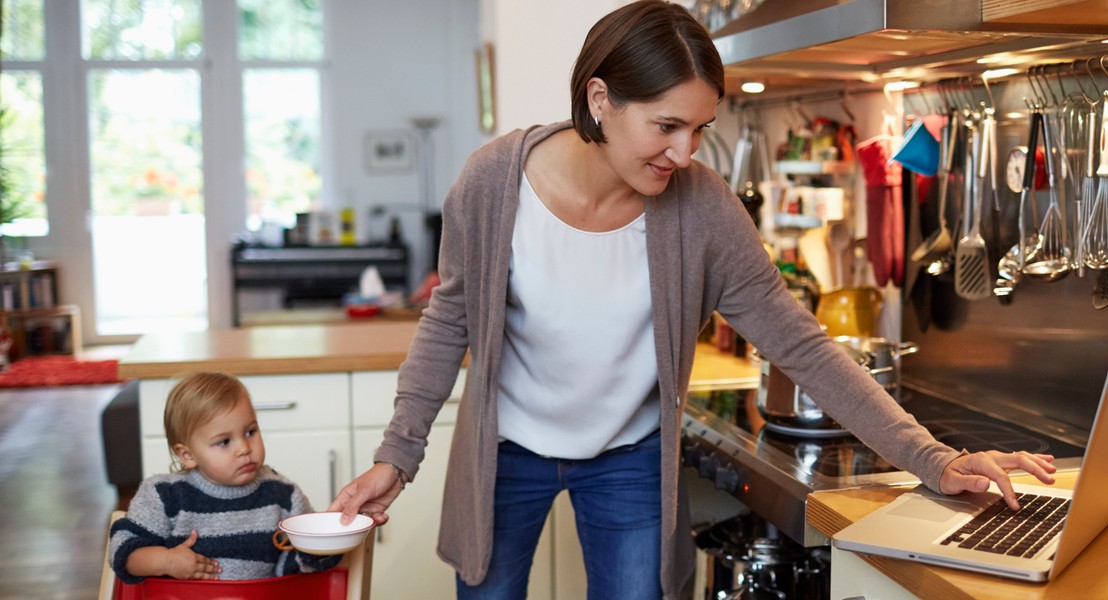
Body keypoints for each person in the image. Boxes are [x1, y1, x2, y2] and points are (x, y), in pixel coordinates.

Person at [329, 2, 1057, 598]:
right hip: (504, 448)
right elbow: (447, 321)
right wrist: (398, 456)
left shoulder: (700, 209)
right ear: (600, 100)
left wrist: (930, 458)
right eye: (667, 127)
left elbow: (799, 343)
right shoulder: (493, 183)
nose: (685, 155)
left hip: (629, 455)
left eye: (700, 129)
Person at [108, 372, 342, 584]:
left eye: (250, 432)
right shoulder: (164, 495)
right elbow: (123, 552)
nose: (244, 448)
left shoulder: (283, 494)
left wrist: (323, 543)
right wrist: (166, 561)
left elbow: (295, 568)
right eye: (224, 442)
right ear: (187, 455)